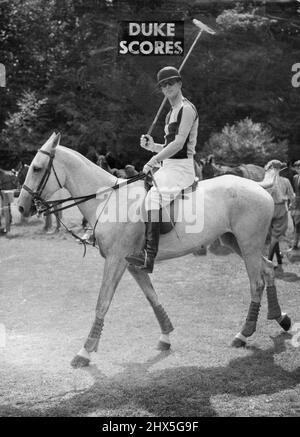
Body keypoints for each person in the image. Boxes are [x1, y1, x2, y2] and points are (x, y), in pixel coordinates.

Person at [125, 66, 199, 273]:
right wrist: (152, 147)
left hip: (182, 168)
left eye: (171, 83)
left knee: (153, 199)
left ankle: (149, 257)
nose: (167, 87)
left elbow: (178, 144)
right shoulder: (170, 114)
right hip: (168, 166)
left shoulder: (187, 109)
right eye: (163, 85)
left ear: (179, 83)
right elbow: (169, 146)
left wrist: (152, 160)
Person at [265, 159, 295, 274]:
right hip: (281, 209)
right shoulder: (285, 181)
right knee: (275, 236)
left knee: (274, 236)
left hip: (269, 209)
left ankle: (279, 260)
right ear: (280, 169)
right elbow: (292, 196)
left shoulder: (266, 181)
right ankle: (269, 261)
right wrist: (291, 204)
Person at [290, 160, 300, 250]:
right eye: (297, 167)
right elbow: (295, 191)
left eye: (299, 167)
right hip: (297, 203)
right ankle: (295, 244)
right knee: (296, 223)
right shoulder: (295, 177)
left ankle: (295, 244)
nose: (298, 169)